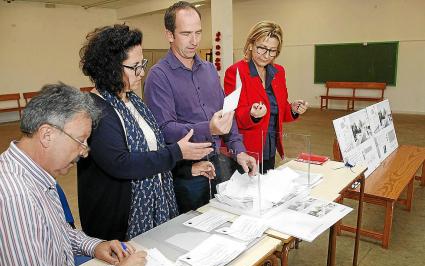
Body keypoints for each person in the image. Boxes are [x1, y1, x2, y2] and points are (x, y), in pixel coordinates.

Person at [78, 24, 214, 241]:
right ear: (110, 68)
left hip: (157, 212)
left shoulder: (134, 102)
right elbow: (122, 163)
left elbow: (153, 152)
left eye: (142, 64)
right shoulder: (96, 110)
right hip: (118, 225)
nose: (141, 73)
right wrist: (177, 153)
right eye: (135, 67)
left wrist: (188, 169)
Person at [0, 83, 146, 266]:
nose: (84, 151)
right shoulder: (17, 196)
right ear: (46, 135)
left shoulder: (34, 173)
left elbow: (55, 232)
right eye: (80, 140)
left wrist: (94, 246)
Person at [144, 1, 257, 213]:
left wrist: (239, 150)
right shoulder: (159, 76)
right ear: (170, 35)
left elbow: (226, 113)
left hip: (218, 163)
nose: (194, 41)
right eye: (186, 33)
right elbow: (164, 129)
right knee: (191, 230)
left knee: (224, 222)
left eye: (198, 32)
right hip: (187, 172)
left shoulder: (209, 70)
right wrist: (209, 129)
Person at [224, 21, 308, 173]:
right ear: (250, 44)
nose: (266, 55)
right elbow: (231, 116)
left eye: (272, 51)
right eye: (261, 48)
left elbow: (280, 110)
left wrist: (293, 109)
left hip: (270, 146)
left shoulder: (279, 72)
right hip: (246, 149)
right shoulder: (235, 72)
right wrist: (252, 114)